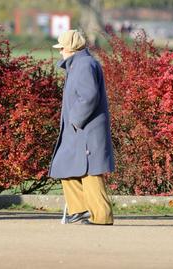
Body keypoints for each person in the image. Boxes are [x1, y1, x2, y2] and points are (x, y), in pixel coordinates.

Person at [48, 30, 114, 225]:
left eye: (61, 48)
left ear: (69, 48)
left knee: (91, 171)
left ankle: (101, 216)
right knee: (65, 166)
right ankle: (80, 210)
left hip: (86, 128)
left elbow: (89, 96)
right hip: (79, 128)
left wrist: (75, 119)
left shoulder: (84, 64)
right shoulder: (78, 64)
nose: (60, 52)